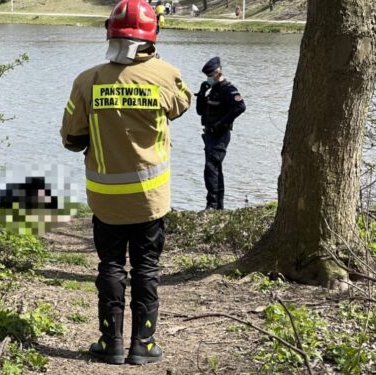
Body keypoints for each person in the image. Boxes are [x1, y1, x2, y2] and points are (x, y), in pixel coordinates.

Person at [61, 0, 191, 365]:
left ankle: (111, 343)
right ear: (152, 37)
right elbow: (182, 105)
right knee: (147, 268)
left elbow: (71, 139)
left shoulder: (87, 81)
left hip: (106, 201)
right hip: (150, 199)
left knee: (111, 267)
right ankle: (143, 345)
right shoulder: (166, 74)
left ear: (110, 33)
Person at [196, 56, 246, 210]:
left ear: (218, 73)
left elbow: (240, 107)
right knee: (215, 169)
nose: (208, 79)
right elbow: (200, 112)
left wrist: (221, 124)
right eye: (207, 76)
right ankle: (218, 206)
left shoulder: (228, 89)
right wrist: (202, 93)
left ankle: (212, 205)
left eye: (210, 76)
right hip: (210, 135)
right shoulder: (213, 90)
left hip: (220, 135)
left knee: (210, 168)